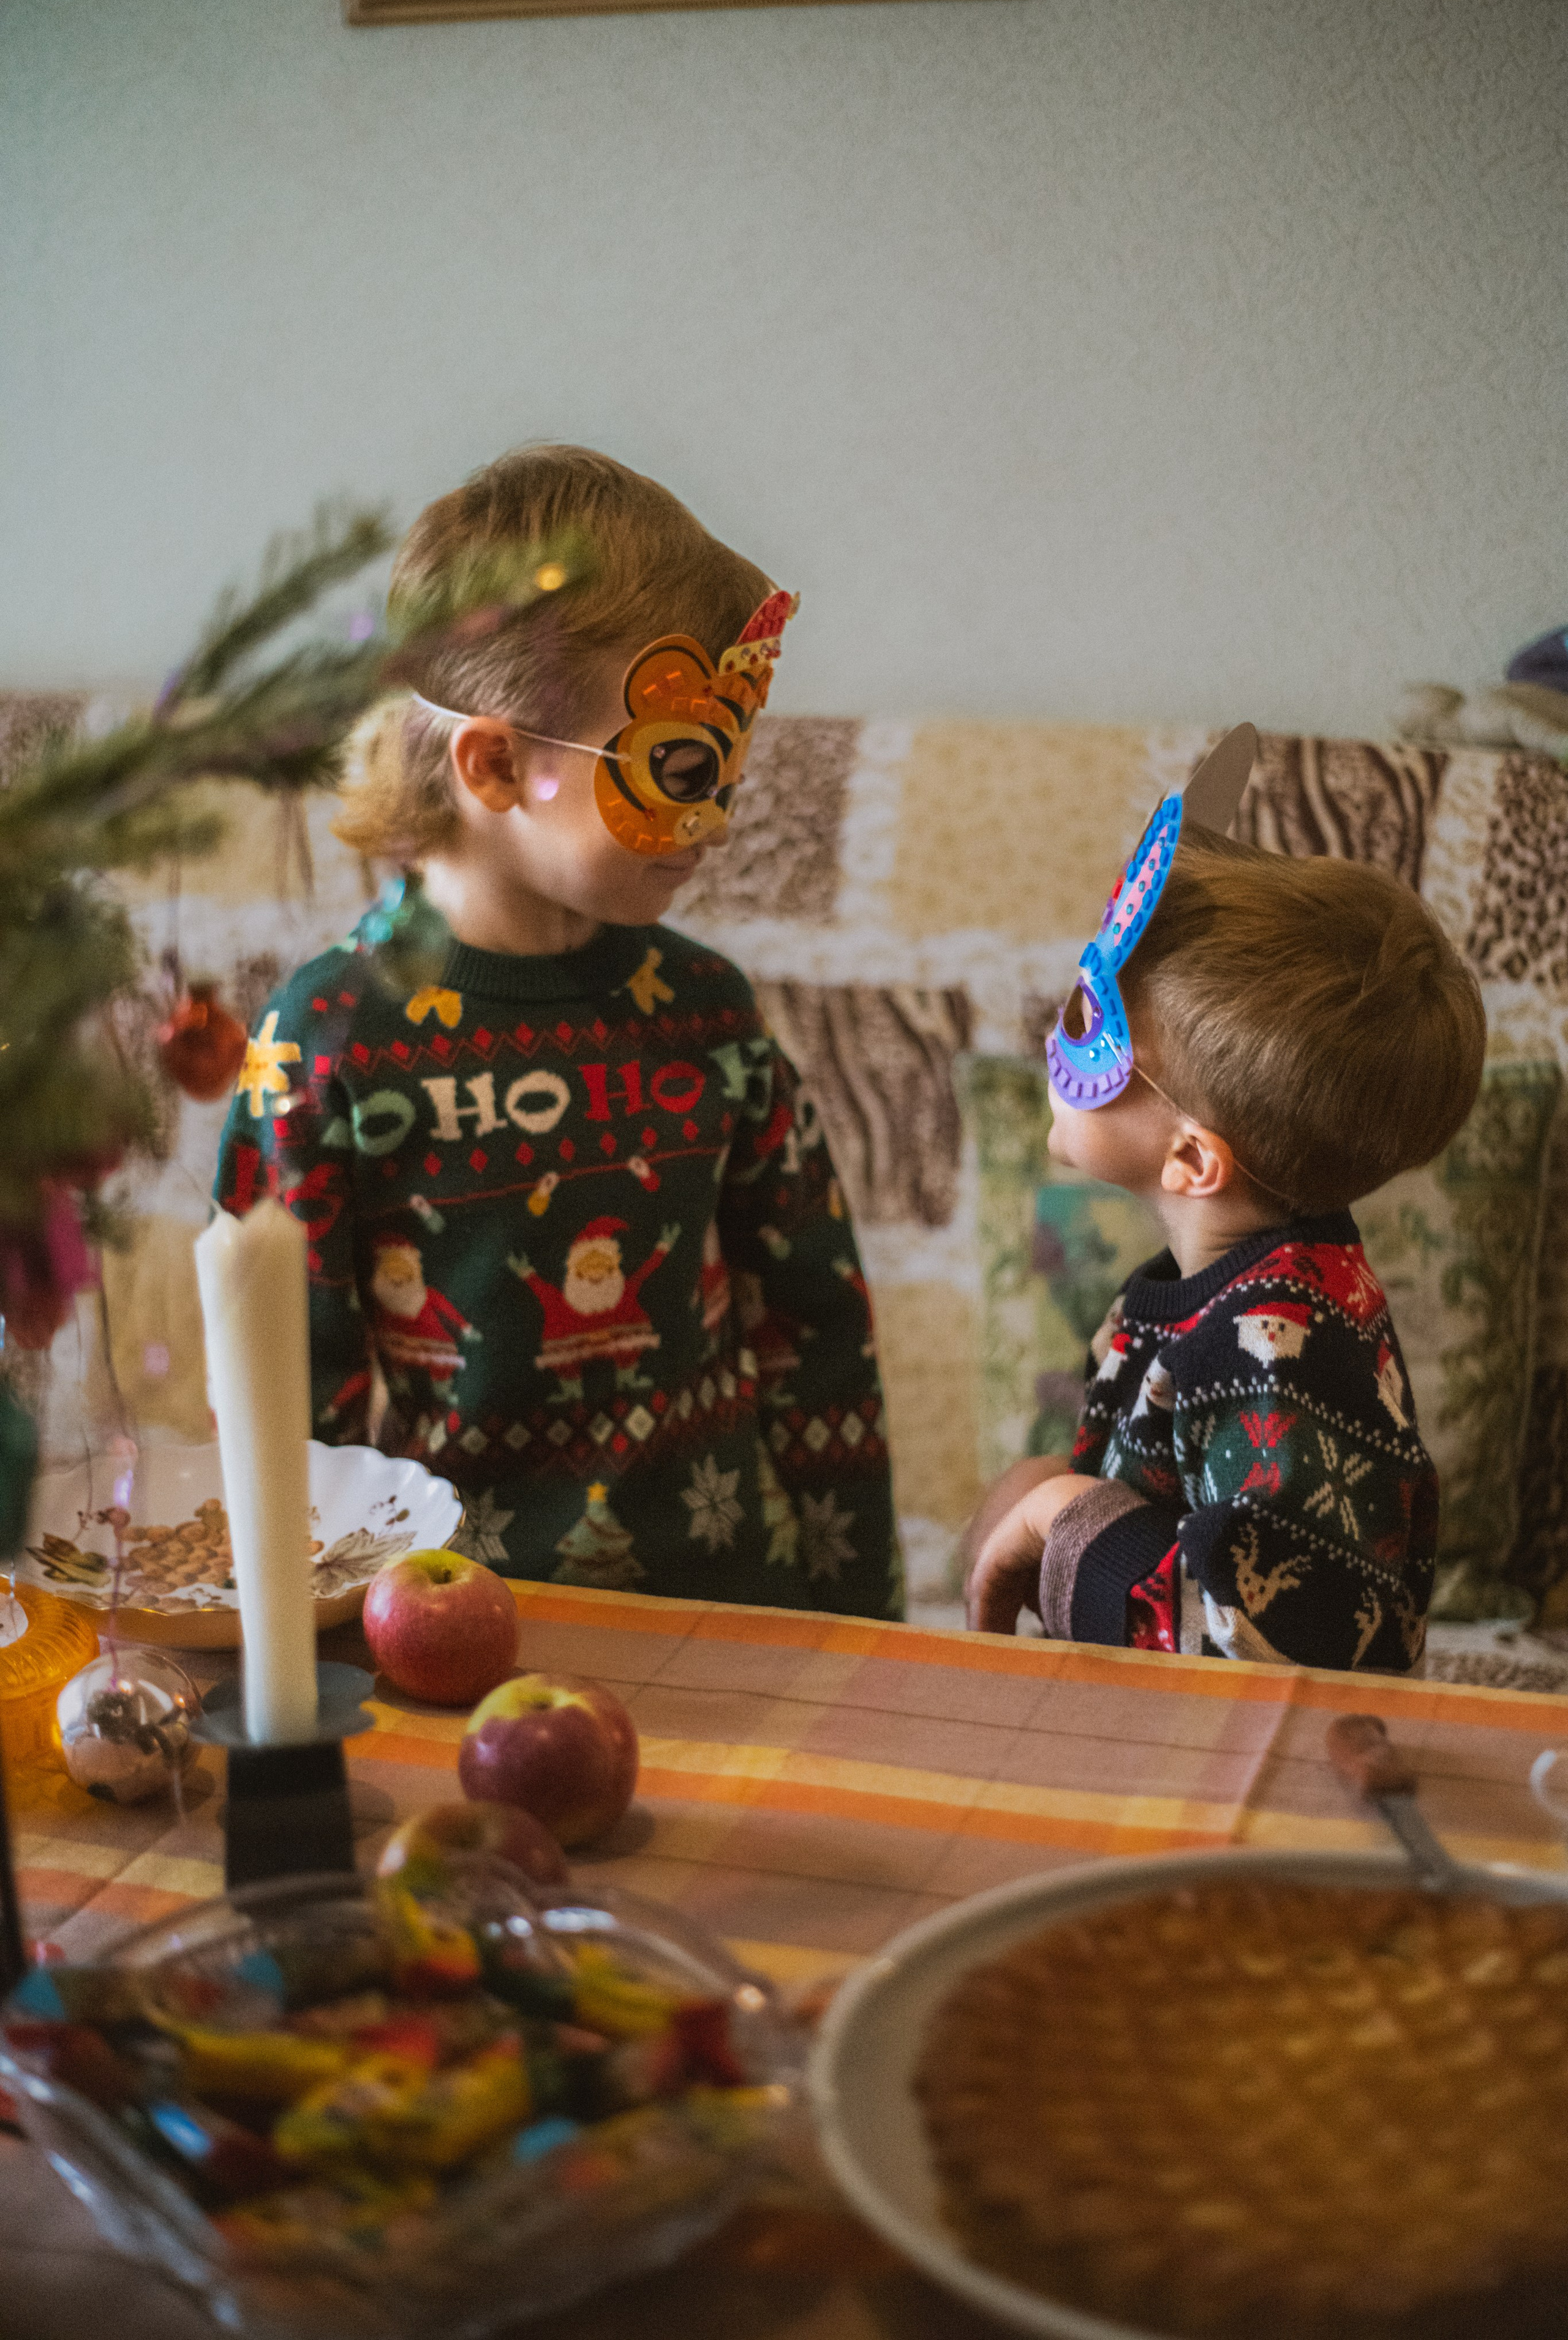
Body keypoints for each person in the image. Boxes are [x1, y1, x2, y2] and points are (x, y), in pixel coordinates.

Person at [214, 445, 901, 1617]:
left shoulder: (710, 1020)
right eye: (681, 770)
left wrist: (865, 1627)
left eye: (729, 770)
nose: (716, 823)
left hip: (735, 1609)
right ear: (493, 762)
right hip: (445, 1626)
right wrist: (311, 1646)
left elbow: (818, 1335)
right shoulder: (323, 1042)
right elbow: (282, 1392)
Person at [963, 820, 1485, 1672]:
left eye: (1090, 1020)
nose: (1056, 1038)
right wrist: (1053, 1497)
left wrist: (1067, 1516)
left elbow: (1261, 1655)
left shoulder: (1284, 1360)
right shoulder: (1213, 1287)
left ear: (1193, 1159)